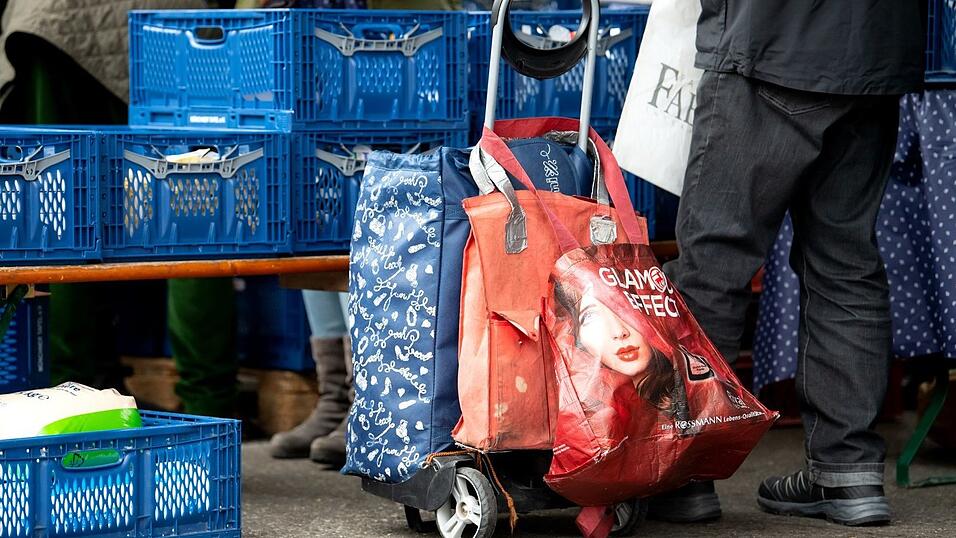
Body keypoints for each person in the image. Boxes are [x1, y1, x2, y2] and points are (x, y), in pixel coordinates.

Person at [652, 0, 925, 527]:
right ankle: (847, 474)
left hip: (771, 42)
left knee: (715, 264)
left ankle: (685, 474)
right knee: (846, 264)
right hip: (875, 51)